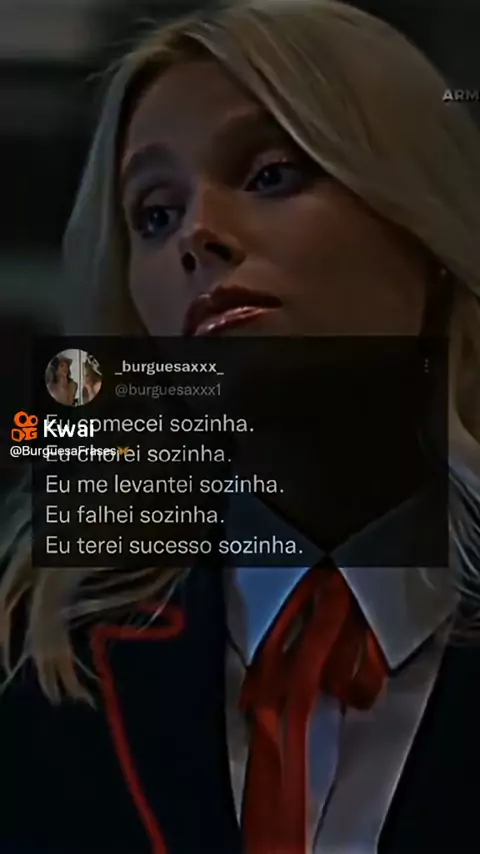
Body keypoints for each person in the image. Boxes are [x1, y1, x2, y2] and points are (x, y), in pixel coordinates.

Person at [1, 1, 480, 852]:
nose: (198, 235)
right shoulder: (36, 664)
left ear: (422, 223)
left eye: (269, 174)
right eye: (154, 214)